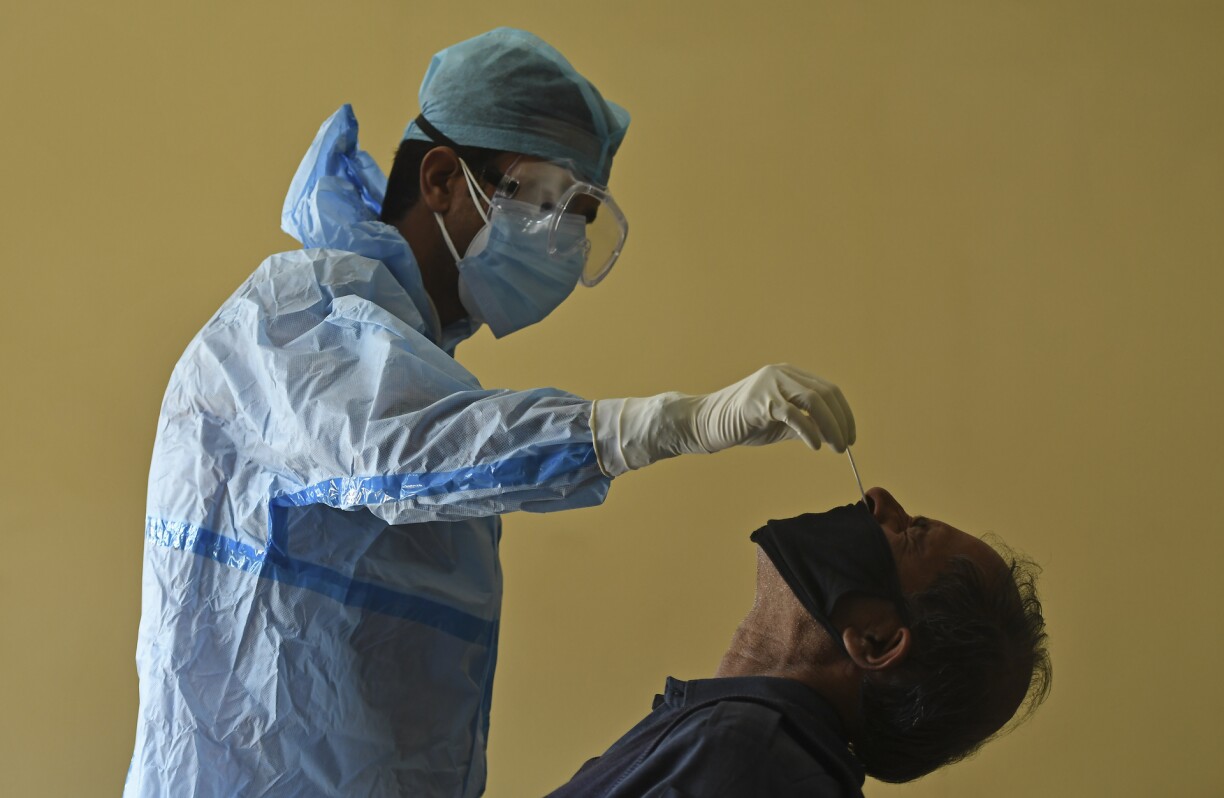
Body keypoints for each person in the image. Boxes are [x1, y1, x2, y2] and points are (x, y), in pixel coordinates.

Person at [124, 28, 857, 798]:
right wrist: (673, 423)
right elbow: (407, 450)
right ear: (441, 179)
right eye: (547, 199)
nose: (564, 238)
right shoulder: (294, 322)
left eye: (580, 213)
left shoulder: (407, 359)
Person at [547, 486, 1052, 797]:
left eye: (911, 533)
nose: (877, 499)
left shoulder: (748, 762)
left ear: (874, 642)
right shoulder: (750, 751)